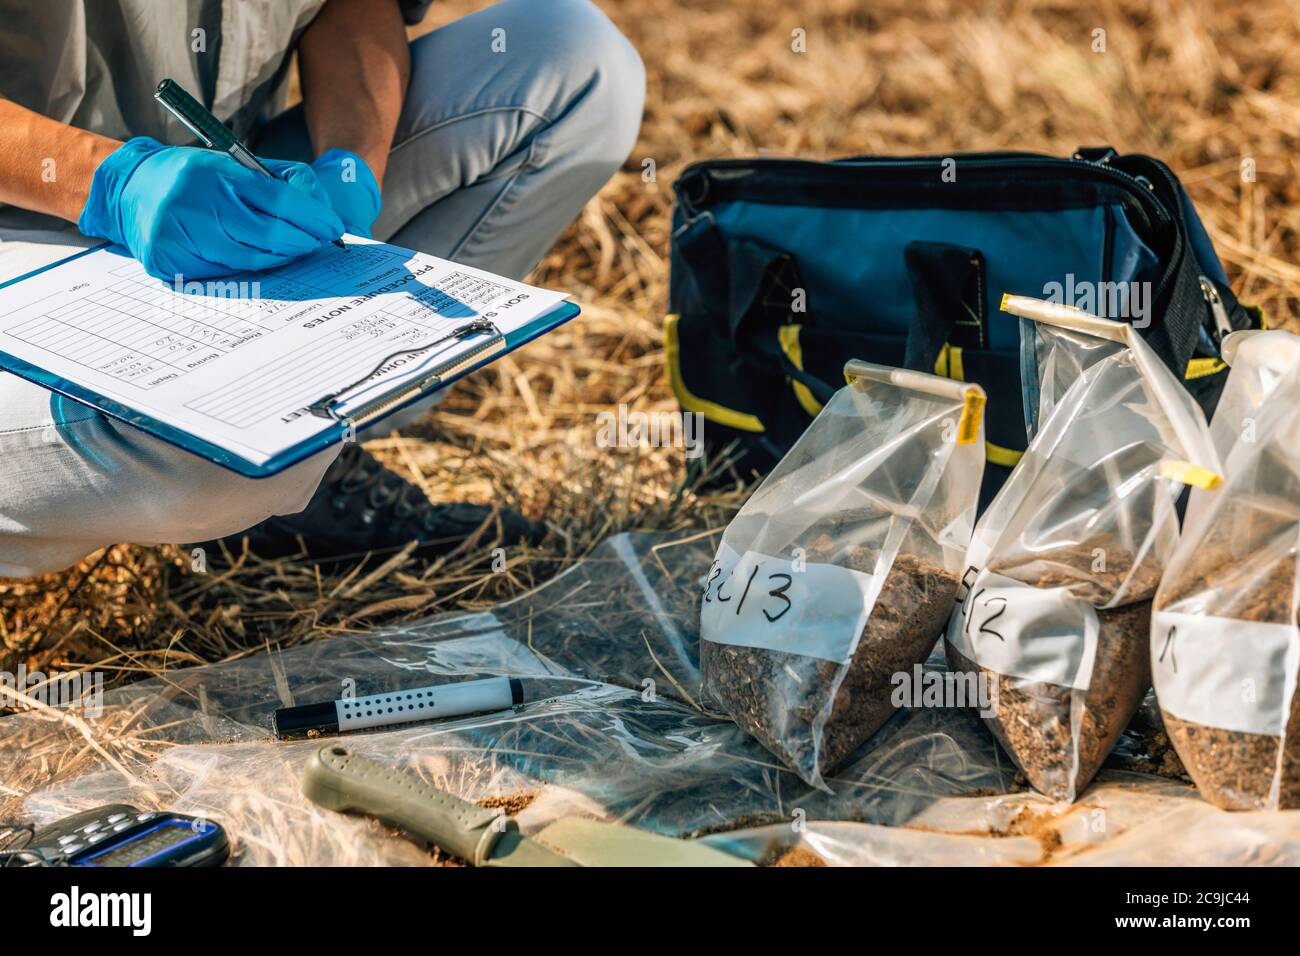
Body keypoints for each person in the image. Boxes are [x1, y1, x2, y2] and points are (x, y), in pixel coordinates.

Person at [0, 0, 644, 577]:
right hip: (23, 238)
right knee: (228, 445)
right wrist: (107, 182)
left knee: (570, 58)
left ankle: (303, 481)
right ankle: (257, 483)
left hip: (232, 200)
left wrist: (352, 159)